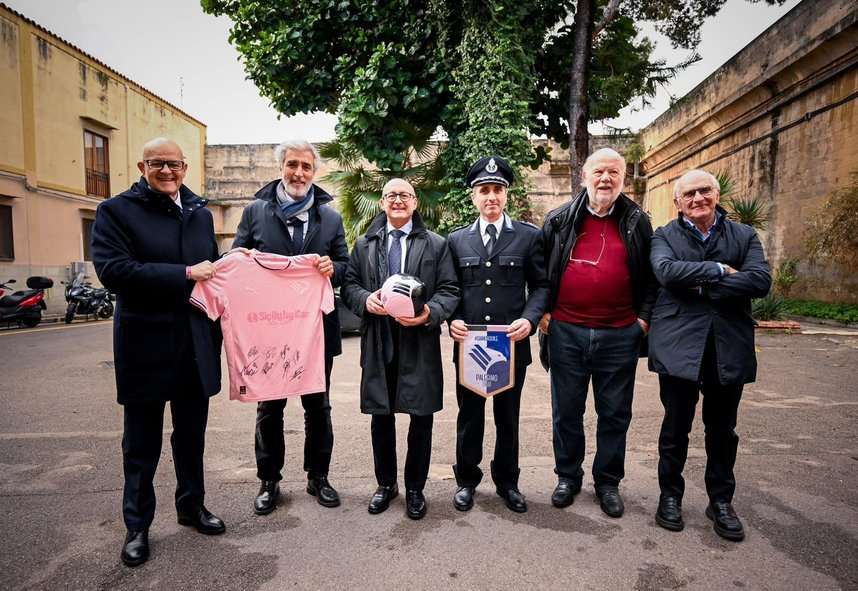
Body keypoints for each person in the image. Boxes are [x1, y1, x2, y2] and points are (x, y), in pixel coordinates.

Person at [92, 138, 224, 567]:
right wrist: (185, 273)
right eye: (157, 163)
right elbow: (114, 271)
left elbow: (213, 272)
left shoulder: (200, 213)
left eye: (174, 164)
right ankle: (137, 526)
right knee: (140, 444)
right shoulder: (115, 211)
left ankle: (192, 507)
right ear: (141, 166)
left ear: (185, 167)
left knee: (191, 437)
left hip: (194, 345)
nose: (167, 171)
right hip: (144, 345)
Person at [649, 169, 771, 541]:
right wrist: (719, 270)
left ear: (717, 195)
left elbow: (759, 280)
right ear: (678, 202)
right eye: (689, 194)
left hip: (727, 345)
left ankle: (720, 501)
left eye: (704, 191)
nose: (698, 198)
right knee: (675, 427)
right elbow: (666, 273)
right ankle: (670, 495)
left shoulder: (743, 235)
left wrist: (699, 287)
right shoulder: (664, 236)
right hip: (679, 345)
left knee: (722, 430)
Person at [232, 139, 350, 514]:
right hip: (270, 333)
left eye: (306, 167)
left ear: (314, 172)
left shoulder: (330, 218)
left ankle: (319, 477)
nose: (299, 173)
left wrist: (333, 269)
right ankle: (269, 480)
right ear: (281, 167)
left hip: (315, 332)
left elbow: (345, 267)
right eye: (292, 165)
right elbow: (235, 258)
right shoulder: (255, 212)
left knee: (318, 407)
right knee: (270, 407)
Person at [539, 148, 656, 517]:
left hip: (619, 334)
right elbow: (539, 271)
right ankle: (567, 477)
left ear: (623, 178)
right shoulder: (559, 220)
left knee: (615, 413)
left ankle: (607, 482)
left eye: (614, 172)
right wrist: (543, 312)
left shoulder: (638, 221)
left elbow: (651, 277)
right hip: (566, 332)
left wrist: (643, 321)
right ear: (584, 176)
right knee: (566, 412)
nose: (606, 179)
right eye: (599, 171)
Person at [340, 178, 459, 520]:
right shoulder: (364, 244)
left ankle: (415, 488)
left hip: (418, 340)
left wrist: (429, 312)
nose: (397, 200)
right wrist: (366, 300)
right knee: (381, 416)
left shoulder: (436, 244)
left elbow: (450, 289)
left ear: (415, 202)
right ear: (382, 202)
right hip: (379, 340)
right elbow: (350, 285)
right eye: (391, 195)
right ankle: (386, 484)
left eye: (404, 195)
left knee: (421, 416)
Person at [447, 156, 548, 513]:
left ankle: (508, 482)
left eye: (497, 190)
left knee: (508, 418)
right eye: (484, 190)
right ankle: (466, 481)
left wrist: (530, 320)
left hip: (510, 345)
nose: (491, 196)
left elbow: (541, 286)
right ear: (473, 196)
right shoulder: (457, 240)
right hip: (470, 347)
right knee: (469, 417)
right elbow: (450, 288)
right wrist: (453, 319)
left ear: (506, 194)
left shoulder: (528, 236)